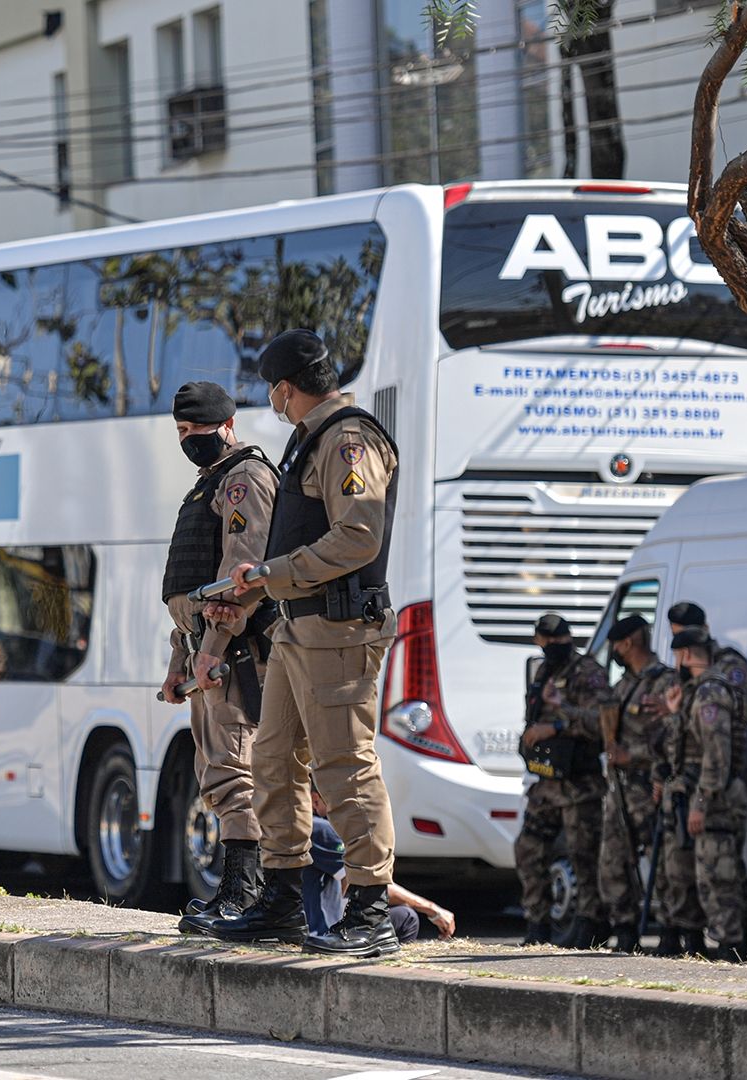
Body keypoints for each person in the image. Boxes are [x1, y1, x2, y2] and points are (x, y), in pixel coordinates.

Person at [205, 329, 402, 957]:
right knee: (272, 757)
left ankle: (370, 908)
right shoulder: (312, 439)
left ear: (285, 389)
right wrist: (256, 586)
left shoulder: (347, 438)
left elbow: (359, 537)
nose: (275, 402)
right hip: (300, 626)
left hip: (339, 629)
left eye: (274, 392)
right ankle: (283, 897)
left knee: (344, 763)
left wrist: (270, 574)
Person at [156, 381, 279, 934]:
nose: (189, 440)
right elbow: (193, 588)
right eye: (182, 431)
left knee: (235, 770)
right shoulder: (211, 482)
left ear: (227, 425)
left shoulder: (243, 481)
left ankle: (245, 893)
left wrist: (208, 653)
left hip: (236, 654)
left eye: (198, 431)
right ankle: (239, 890)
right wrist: (180, 659)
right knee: (216, 771)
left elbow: (238, 582)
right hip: (210, 653)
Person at [514, 612, 613, 948]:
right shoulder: (544, 671)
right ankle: (537, 926)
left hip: (578, 784)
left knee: (583, 857)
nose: (553, 647)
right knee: (529, 849)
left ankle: (588, 929)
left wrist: (556, 726)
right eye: (548, 642)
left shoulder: (589, 673)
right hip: (545, 782)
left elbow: (602, 721)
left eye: (559, 642)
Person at [658, 626, 747, 961]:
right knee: (697, 875)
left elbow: (717, 755)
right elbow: (686, 749)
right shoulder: (697, 691)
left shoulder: (710, 692)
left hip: (716, 800)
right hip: (703, 796)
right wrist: (674, 715)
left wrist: (701, 803)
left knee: (718, 877)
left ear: (685, 655)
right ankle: (714, 944)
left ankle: (732, 948)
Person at [597, 614, 676, 953]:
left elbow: (674, 737)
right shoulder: (624, 685)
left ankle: (672, 931)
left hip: (649, 786)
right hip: (620, 788)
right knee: (614, 859)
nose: (614, 650)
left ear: (627, 643)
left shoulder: (664, 683)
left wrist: (635, 755)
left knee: (662, 864)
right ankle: (625, 929)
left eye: (616, 644)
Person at [304, 788, 455, 943]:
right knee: (406, 917)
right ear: (315, 799)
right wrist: (431, 909)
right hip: (322, 932)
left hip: (307, 927)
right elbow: (367, 883)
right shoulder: (320, 829)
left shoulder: (295, 826)